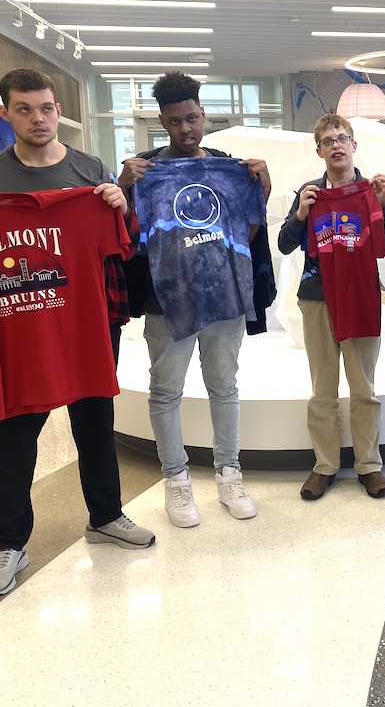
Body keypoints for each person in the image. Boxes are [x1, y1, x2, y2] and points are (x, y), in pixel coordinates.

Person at [0, 67, 155, 596]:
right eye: (24, 109)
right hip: (20, 326)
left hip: (87, 321)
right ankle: (8, 542)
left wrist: (119, 208)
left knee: (95, 421)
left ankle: (106, 515)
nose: (37, 118)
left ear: (59, 111)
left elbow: (125, 245)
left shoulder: (90, 171)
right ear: (6, 113)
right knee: (16, 435)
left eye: (45, 108)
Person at [119, 71, 270, 528]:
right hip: (168, 300)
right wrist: (125, 187)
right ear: (162, 123)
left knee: (224, 386)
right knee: (166, 391)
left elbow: (247, 234)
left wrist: (259, 189)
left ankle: (229, 473)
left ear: (203, 114)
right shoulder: (144, 170)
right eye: (174, 121)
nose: (186, 129)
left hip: (221, 294)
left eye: (192, 118)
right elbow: (125, 238)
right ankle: (177, 481)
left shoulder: (227, 166)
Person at [278, 115, 385, 500]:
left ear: (354, 145)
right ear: (319, 150)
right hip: (317, 297)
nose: (336, 145)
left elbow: (382, 246)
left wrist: (383, 207)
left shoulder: (368, 190)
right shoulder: (309, 192)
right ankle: (324, 466)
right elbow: (283, 244)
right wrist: (300, 215)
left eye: (342, 138)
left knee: (364, 387)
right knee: (322, 388)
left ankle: (369, 466)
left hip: (360, 297)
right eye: (328, 141)